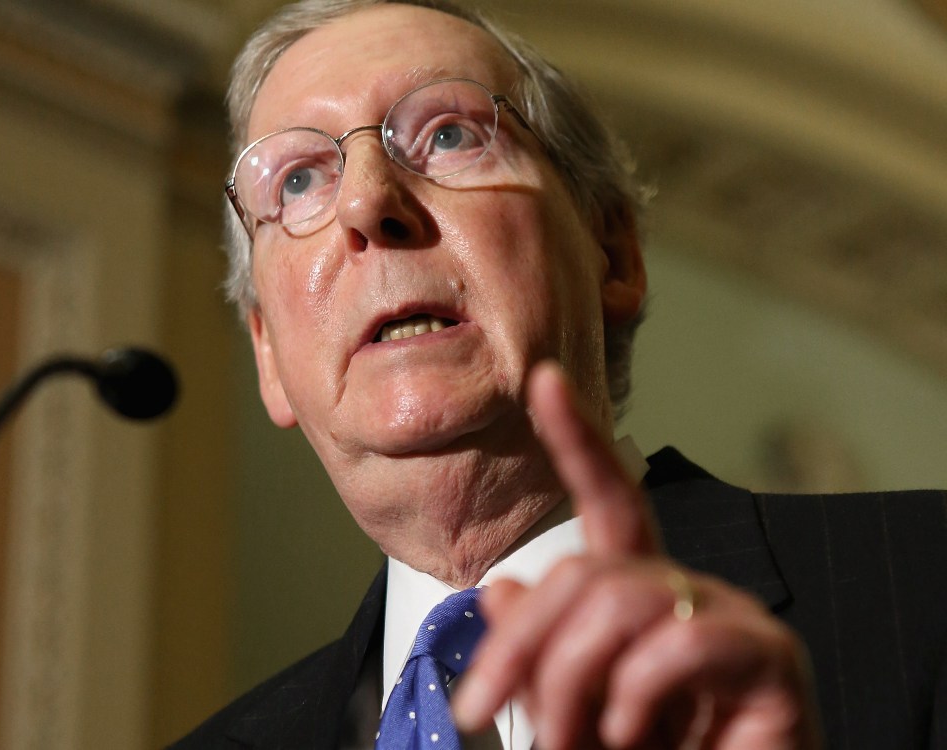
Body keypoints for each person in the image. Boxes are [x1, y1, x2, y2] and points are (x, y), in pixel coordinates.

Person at [171, 1, 947, 748]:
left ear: (612, 253)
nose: (368, 202)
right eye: (299, 180)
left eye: (447, 134)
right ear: (268, 352)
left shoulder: (921, 587)